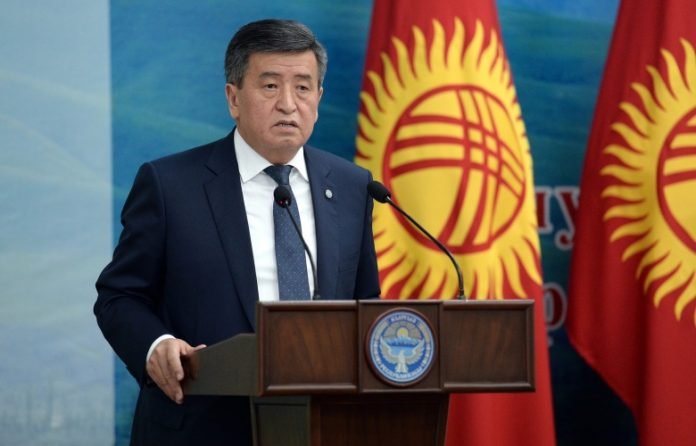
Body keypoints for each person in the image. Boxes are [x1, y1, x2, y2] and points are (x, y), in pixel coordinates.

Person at [94, 19, 380, 446]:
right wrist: (156, 345)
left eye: (303, 87)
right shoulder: (171, 185)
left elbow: (366, 305)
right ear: (233, 98)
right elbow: (120, 295)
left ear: (319, 98)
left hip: (323, 427)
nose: (288, 104)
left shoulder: (353, 186)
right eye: (270, 86)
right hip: (199, 427)